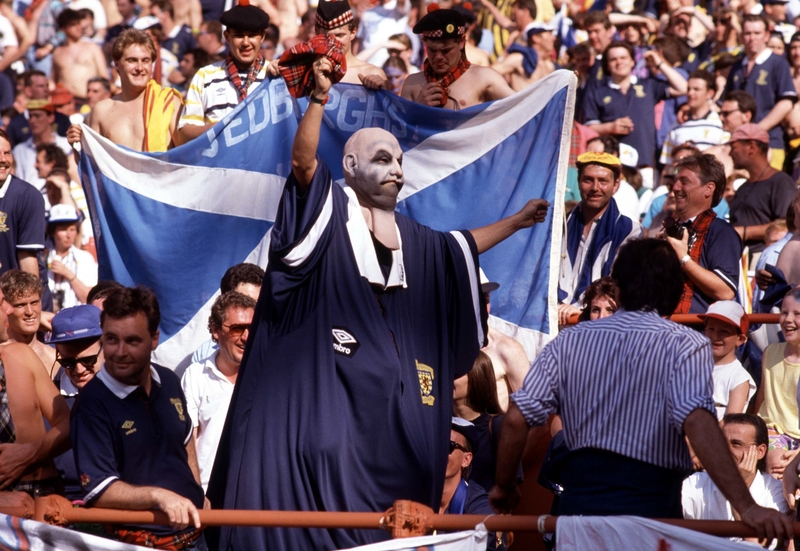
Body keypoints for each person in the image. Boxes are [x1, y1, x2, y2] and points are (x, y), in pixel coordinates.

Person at [208, 55, 550, 551]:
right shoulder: (327, 212)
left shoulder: (418, 240)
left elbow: (459, 246)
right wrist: (320, 99)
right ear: (349, 166)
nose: (395, 169)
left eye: (399, 161)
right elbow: (304, 164)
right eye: (382, 159)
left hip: (392, 451)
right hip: (320, 444)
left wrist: (516, 222)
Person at [491, 238, 793, 544]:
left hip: (580, 512)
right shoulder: (685, 344)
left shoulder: (569, 340)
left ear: (618, 289)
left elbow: (516, 420)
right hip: (651, 514)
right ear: (676, 291)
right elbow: (698, 424)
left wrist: (503, 487)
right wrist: (747, 507)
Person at [70, 287, 206, 548]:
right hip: (139, 543)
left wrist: (196, 490)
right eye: (111, 340)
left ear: (154, 339)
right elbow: (99, 490)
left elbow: (186, 439)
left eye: (132, 341)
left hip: (197, 536)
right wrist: (159, 496)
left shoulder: (169, 380)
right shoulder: (91, 405)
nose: (120, 352)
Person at [0, 286, 71, 498]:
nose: (10, 310)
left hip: (42, 497)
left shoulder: (22, 356)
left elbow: (68, 423)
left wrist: (31, 453)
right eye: (2, 302)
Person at [181, 291, 255, 491]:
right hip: (208, 493)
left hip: (255, 493)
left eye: (252, 328)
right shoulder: (195, 375)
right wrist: (195, 491)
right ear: (215, 330)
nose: (246, 337)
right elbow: (186, 440)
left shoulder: (269, 375)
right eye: (237, 329)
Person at [557, 152, 642, 321]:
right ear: (579, 182)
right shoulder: (561, 224)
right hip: (555, 316)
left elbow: (615, 283)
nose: (595, 188)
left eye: (603, 181)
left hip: (598, 323)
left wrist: (579, 306)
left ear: (616, 185)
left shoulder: (629, 230)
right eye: (588, 180)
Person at [68, 29, 183, 153]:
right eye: (132, 60)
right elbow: (94, 165)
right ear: (117, 65)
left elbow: (188, 156)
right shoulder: (102, 111)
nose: (140, 68)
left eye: (145, 61)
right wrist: (77, 147)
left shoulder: (169, 103)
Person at [683, 414, 788, 546]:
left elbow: (759, 547)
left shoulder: (775, 493)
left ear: (760, 451)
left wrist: (738, 486)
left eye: (736, 444)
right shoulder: (697, 482)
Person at [583, 41, 688, 170]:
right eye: (613, 59)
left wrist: (659, 63)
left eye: (623, 58)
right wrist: (610, 127)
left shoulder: (649, 86)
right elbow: (588, 128)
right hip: (612, 164)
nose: (619, 62)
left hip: (645, 163)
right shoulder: (597, 93)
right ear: (607, 65)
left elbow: (683, 88)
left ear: (633, 61)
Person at [658, 153, 742, 314]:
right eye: (675, 181)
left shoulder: (721, 232)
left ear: (709, 189)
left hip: (698, 333)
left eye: (684, 181)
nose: (675, 188)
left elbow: (725, 291)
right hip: (662, 330)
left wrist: (683, 258)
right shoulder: (669, 231)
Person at [177, 2, 270, 143]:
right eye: (239, 35)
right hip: (217, 163)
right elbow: (184, 133)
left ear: (262, 37)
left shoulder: (275, 75)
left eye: (252, 35)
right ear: (227, 36)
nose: (246, 42)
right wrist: (218, 129)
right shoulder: (205, 76)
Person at [401, 7, 513, 109]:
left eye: (446, 50)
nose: (438, 57)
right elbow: (400, 127)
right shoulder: (412, 84)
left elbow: (521, 106)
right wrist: (419, 108)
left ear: (461, 43)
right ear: (424, 44)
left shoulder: (483, 78)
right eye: (432, 50)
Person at [45, 304, 104, 501]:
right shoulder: (46, 401)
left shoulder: (133, 393)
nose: (79, 370)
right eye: (67, 363)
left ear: (107, 345)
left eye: (88, 360)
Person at [723, 14, 796, 170]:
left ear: (766, 35)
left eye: (757, 33)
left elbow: (786, 102)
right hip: (738, 145)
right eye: (748, 33)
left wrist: (757, 130)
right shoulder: (737, 67)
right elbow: (726, 102)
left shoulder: (778, 63)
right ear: (742, 36)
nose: (752, 38)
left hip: (770, 142)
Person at [727, 123, 796, 257]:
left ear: (751, 147)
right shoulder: (743, 187)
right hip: (740, 258)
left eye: (734, 148)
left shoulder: (781, 182)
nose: (730, 153)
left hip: (763, 257)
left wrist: (744, 232)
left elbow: (787, 224)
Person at [754, 288, 800, 479]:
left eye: (797, 314)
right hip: (772, 429)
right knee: (777, 463)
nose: (788, 319)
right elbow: (762, 397)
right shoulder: (770, 352)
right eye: (783, 312)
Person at [479, 269, 530, 413]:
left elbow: (532, 413)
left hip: (494, 433)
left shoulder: (507, 348)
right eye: (475, 299)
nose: (483, 306)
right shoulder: (440, 347)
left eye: (486, 299)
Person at [308, 0, 386, 88]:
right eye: (327, 36)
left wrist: (381, 89)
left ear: (353, 33)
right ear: (317, 32)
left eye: (339, 35)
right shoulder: (306, 73)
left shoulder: (372, 73)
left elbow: (388, 101)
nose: (334, 42)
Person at [699, 300, 756, 420]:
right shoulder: (694, 367)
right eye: (711, 329)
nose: (715, 337)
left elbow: (730, 424)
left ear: (740, 339)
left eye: (724, 331)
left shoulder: (739, 377)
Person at [0, 130, 45, 279]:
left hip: (18, 295)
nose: (3, 159)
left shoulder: (28, 196)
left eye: (7, 153)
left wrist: (31, 300)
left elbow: (28, 260)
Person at [660, 70, 729, 166]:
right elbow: (668, 164)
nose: (690, 93)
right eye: (688, 89)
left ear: (709, 93)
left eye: (696, 89)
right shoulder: (677, 125)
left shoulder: (720, 123)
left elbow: (725, 161)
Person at [12, 100, 72, 198]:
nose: (33, 121)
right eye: (30, 116)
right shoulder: (19, 150)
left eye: (37, 116)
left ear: (51, 118)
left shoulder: (66, 145)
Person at [45, 204, 98, 311]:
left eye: (72, 229)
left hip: (78, 321)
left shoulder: (85, 258)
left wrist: (68, 274)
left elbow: (88, 299)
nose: (68, 235)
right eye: (63, 229)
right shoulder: (43, 259)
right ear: (52, 232)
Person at [0, 270, 55, 370]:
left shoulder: (54, 358)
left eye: (34, 303)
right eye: (20, 305)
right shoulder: (2, 356)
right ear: (6, 308)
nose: (29, 312)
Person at [51, 9, 107, 105]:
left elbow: (103, 77)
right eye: (73, 25)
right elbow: (53, 81)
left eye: (79, 24)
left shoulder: (92, 48)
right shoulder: (57, 52)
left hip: (88, 101)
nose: (78, 28)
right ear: (63, 29)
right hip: (66, 103)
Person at [5, 72, 71, 148]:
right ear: (28, 91)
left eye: (47, 85)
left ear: (50, 118)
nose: (46, 89)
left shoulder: (62, 119)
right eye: (41, 86)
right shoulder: (16, 123)